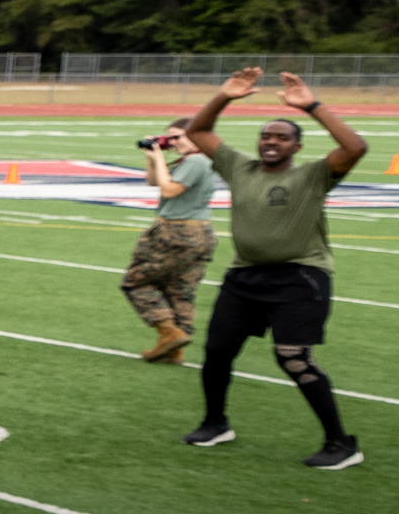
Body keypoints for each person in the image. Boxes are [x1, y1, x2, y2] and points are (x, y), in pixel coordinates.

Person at [181, 67, 371, 469]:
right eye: (266, 136)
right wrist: (224, 96)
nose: (271, 141)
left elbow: (355, 148)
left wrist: (311, 105)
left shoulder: (313, 175)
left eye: (282, 137)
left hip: (299, 277)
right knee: (217, 352)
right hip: (244, 276)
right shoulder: (239, 168)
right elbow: (198, 132)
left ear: (296, 146)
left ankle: (341, 444)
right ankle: (215, 423)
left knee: (293, 358)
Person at [118, 121, 217, 363]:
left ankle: (169, 332)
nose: (172, 143)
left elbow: (169, 190)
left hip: (175, 231)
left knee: (136, 283)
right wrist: (153, 158)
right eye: (169, 138)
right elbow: (154, 182)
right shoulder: (196, 160)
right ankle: (174, 349)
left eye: (178, 137)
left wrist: (160, 158)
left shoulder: (196, 161)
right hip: (200, 231)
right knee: (180, 290)